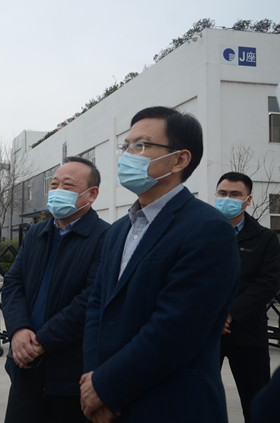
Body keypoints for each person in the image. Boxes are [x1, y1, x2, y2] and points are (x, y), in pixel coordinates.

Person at [81, 106, 240, 423]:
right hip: (107, 402)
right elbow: (97, 307)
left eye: (140, 146)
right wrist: (93, 379)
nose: (127, 156)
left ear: (180, 159)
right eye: (126, 146)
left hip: (171, 405)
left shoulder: (208, 229)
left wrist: (107, 386)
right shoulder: (118, 231)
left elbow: (176, 330)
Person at [1, 157, 110, 423]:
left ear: (92, 194)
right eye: (54, 185)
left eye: (68, 185)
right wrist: (18, 330)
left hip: (70, 374)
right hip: (25, 368)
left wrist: (41, 342)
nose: (58, 191)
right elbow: (13, 283)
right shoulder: (36, 233)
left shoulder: (106, 238)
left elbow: (90, 301)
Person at [215, 172, 280, 423]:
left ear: (248, 200)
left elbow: (268, 283)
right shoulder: (201, 234)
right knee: (198, 400)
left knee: (256, 404)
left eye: (235, 194)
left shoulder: (264, 238)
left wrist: (230, 313)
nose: (227, 199)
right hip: (207, 332)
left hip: (248, 333)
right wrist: (212, 314)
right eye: (222, 193)